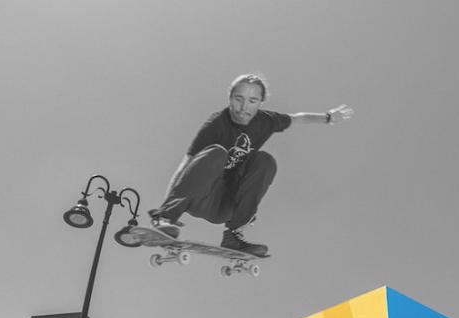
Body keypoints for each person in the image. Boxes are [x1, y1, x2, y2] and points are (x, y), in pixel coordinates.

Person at [148, 74, 355, 257]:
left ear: (260, 103)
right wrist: (165, 211)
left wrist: (328, 118)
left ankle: (234, 235)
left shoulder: (267, 121)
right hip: (200, 197)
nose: (244, 107)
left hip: (226, 206)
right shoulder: (216, 124)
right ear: (230, 98)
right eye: (238, 99)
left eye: (252, 101)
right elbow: (186, 165)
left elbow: (297, 119)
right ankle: (166, 217)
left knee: (265, 161)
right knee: (216, 153)